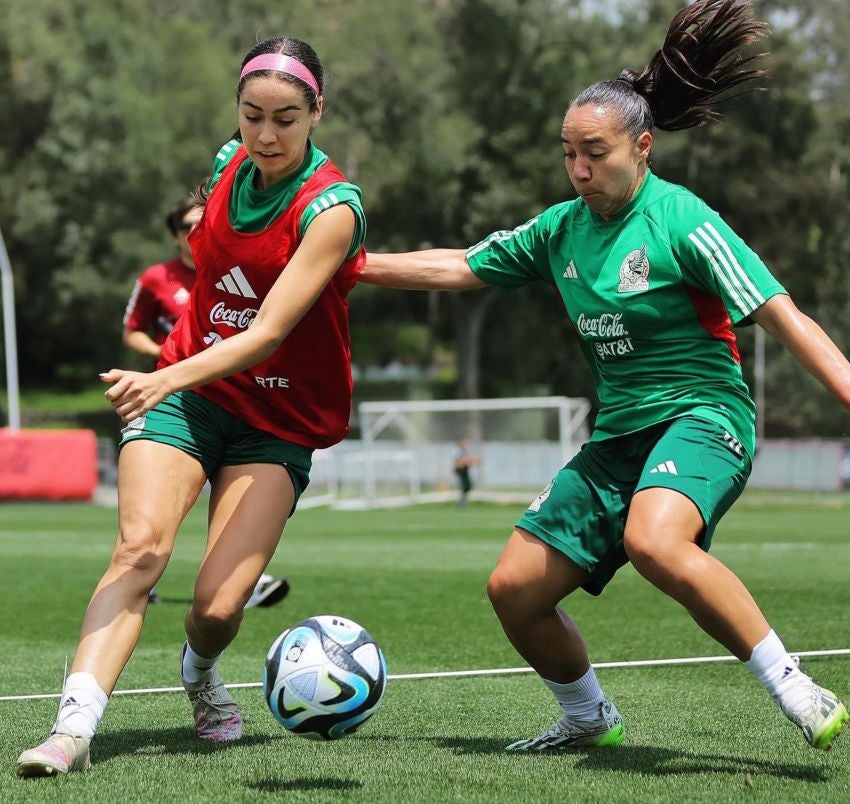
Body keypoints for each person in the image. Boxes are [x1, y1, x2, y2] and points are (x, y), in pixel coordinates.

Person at [359, 0, 849, 753]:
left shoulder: (683, 221)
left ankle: (794, 684)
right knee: (514, 589)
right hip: (619, 436)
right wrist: (346, 264)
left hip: (703, 415)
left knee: (653, 541)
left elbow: (787, 319)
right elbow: (460, 265)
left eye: (595, 153)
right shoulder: (561, 228)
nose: (579, 169)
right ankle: (589, 718)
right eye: (568, 154)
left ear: (644, 147)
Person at [17, 35, 366, 777]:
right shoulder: (225, 163)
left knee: (215, 607)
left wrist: (163, 377)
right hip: (189, 392)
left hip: (277, 420)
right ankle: (71, 732)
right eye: (251, 116)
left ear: (317, 113)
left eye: (286, 118)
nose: (266, 136)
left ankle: (201, 673)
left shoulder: (333, 208)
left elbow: (270, 330)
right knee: (140, 548)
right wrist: (172, 373)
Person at [123, 195, 290, 610]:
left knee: (236, 485)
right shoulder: (156, 278)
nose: (195, 232)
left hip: (243, 395)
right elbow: (132, 330)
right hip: (176, 391)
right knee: (162, 503)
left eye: (202, 223)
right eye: (185, 227)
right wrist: (166, 357)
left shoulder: (235, 265)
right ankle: (143, 569)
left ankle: (235, 577)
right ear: (174, 235)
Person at [453, 437, 480, 507]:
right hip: (460, 471)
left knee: (468, 486)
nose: (465, 445)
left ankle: (462, 500)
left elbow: (467, 461)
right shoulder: (456, 451)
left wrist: (473, 461)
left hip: (465, 470)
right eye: (464, 443)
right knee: (464, 486)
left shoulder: (466, 451)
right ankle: (462, 502)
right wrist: (472, 460)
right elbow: (459, 462)